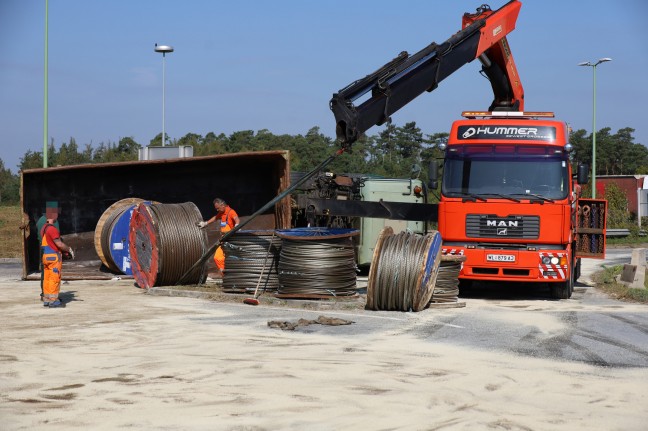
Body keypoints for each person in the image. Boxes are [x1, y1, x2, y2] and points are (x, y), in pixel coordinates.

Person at [41, 202, 74, 308]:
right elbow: (59, 244)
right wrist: (68, 250)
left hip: (46, 256)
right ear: (53, 215)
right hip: (54, 257)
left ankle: (46, 298)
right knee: (54, 278)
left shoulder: (44, 228)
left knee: (47, 278)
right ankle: (54, 300)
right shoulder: (52, 229)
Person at [198, 198, 239, 276]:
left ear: (222, 205)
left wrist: (236, 225)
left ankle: (230, 276)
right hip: (223, 239)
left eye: (218, 208)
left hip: (230, 239)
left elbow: (236, 219)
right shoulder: (221, 213)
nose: (217, 210)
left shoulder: (231, 212)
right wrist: (205, 223)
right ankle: (225, 275)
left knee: (229, 258)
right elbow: (215, 218)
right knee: (217, 257)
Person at [36, 202, 60, 303]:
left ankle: (44, 295)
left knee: (45, 273)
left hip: (43, 248)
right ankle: (53, 298)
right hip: (52, 250)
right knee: (53, 275)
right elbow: (57, 239)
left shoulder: (40, 221)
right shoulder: (54, 223)